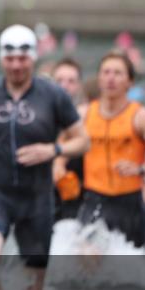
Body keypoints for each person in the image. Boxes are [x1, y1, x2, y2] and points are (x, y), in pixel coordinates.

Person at [0, 25, 89, 290]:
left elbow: (83, 141)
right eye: (10, 58)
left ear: (34, 58)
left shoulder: (53, 95)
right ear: (2, 58)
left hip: (37, 201)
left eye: (22, 58)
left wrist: (52, 150)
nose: (16, 65)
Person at [78, 50, 145, 248]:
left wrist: (141, 169)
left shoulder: (142, 117)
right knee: (86, 259)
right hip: (93, 201)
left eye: (117, 73)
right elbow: (61, 150)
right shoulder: (83, 115)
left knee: (132, 275)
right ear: (99, 79)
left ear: (130, 82)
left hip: (129, 207)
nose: (111, 78)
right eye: (106, 72)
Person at [51, 57, 88, 221]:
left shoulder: (89, 117)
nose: (64, 86)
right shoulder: (36, 117)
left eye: (71, 81)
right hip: (44, 196)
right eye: (59, 80)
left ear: (79, 85)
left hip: (81, 195)